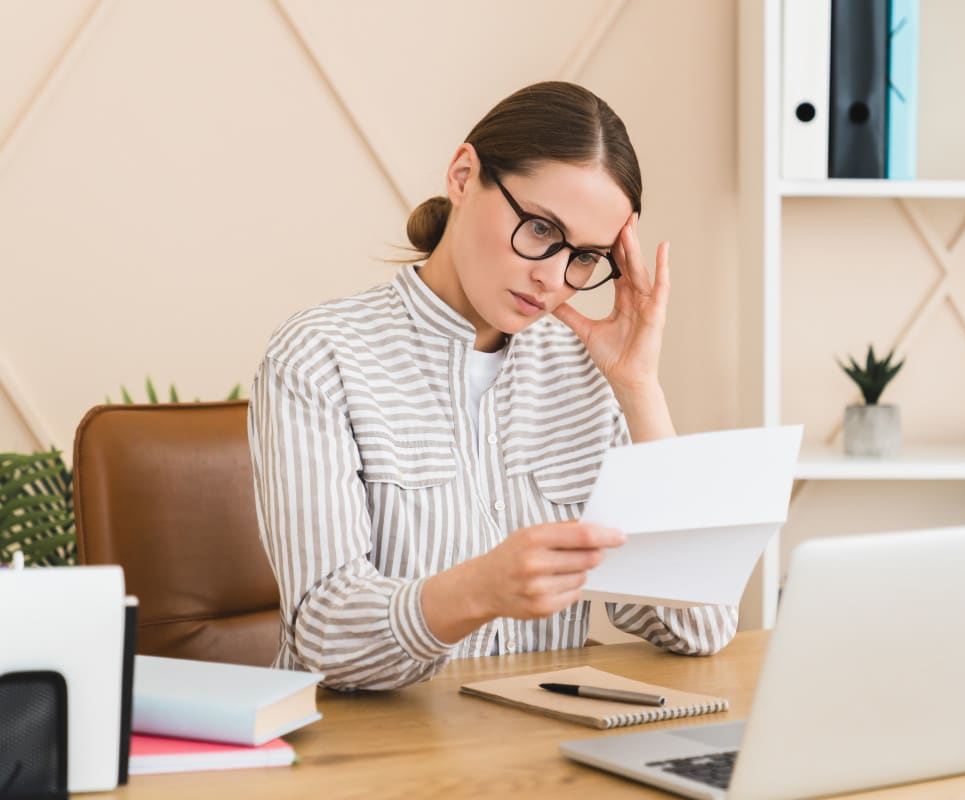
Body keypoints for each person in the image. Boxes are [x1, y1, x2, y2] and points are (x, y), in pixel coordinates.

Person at [247, 81, 737, 690]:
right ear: (462, 175)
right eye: (538, 229)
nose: (553, 278)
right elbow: (325, 639)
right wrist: (477, 590)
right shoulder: (320, 356)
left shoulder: (583, 369)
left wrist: (640, 389)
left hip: (530, 756)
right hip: (368, 761)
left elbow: (703, 627)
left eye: (584, 257)